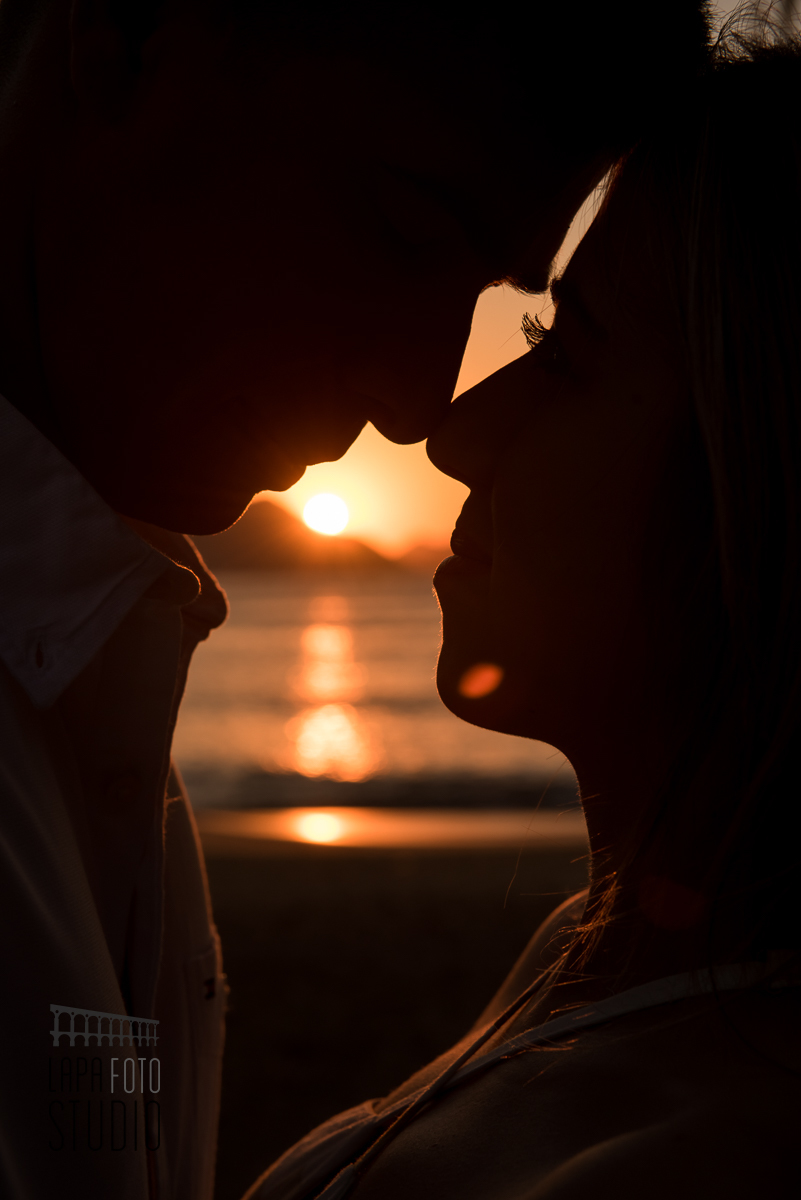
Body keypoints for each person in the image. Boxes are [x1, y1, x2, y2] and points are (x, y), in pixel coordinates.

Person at [0, 1, 713, 1197]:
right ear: (126, 34)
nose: (423, 403)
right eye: (404, 223)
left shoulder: (94, 677)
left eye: (521, 312)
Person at [244, 20, 801, 1200]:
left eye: (567, 351)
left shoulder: (688, 1160)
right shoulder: (586, 953)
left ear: (757, 477)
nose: (455, 429)